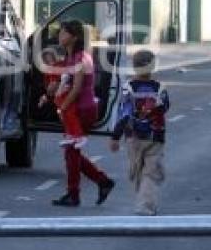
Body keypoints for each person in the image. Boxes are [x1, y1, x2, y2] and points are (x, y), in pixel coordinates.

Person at [51, 19, 115, 207]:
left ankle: (76, 193)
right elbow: (67, 83)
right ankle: (101, 182)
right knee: (72, 152)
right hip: (74, 108)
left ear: (74, 37)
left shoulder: (81, 58)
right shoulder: (71, 58)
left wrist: (62, 108)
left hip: (82, 109)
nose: (60, 36)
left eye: (64, 33)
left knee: (71, 151)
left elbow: (77, 88)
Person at [110, 49, 170, 216]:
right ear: (153, 66)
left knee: (139, 170)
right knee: (151, 172)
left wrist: (115, 137)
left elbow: (124, 114)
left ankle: (144, 203)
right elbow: (165, 106)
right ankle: (145, 203)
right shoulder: (160, 88)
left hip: (133, 137)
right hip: (156, 136)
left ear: (134, 67)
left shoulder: (127, 88)